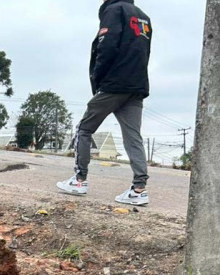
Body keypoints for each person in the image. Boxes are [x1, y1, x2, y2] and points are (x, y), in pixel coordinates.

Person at [57, 0, 153, 206]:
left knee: (84, 129)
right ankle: (139, 190)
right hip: (136, 86)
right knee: (133, 137)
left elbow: (106, 46)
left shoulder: (114, 10)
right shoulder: (144, 17)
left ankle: (79, 180)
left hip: (114, 84)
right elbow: (145, 53)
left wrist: (98, 80)